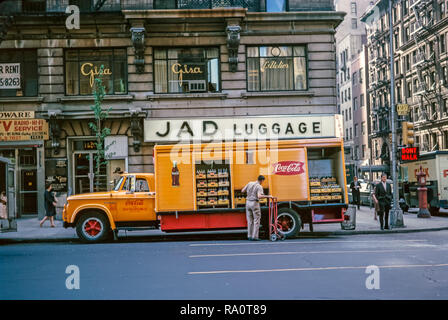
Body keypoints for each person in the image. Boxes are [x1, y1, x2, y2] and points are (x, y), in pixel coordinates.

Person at [242, 175, 273, 241]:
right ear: (261, 180)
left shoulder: (250, 183)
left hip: (248, 203)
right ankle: (255, 237)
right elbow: (259, 196)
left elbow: (242, 191)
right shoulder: (259, 186)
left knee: (250, 220)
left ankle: (249, 236)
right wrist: (269, 196)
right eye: (262, 181)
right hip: (254, 203)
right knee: (256, 220)